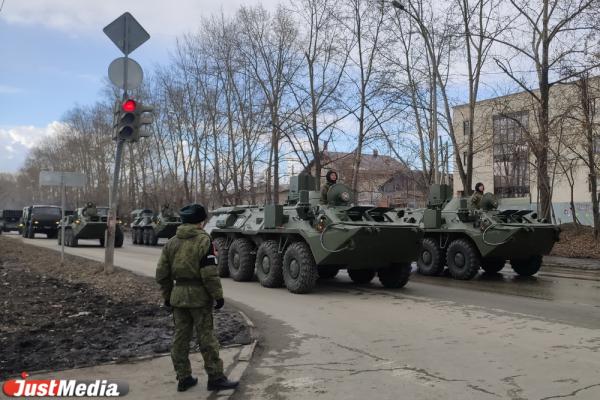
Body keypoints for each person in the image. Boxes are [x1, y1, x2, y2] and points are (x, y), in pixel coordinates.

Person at [155, 203, 239, 393]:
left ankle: (184, 378)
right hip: (199, 298)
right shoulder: (204, 240)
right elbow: (209, 273)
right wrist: (218, 296)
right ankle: (216, 378)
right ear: (201, 221)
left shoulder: (171, 242)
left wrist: (168, 296)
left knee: (180, 339)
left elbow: (161, 274)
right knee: (207, 338)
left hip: (178, 296)